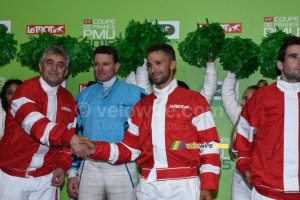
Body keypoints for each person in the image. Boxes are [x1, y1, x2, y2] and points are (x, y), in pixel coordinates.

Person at [81, 43, 221, 200]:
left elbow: (211, 146)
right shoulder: (142, 106)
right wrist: (97, 149)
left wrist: (208, 186)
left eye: (159, 63)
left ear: (172, 64)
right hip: (148, 187)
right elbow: (129, 148)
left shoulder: (194, 100)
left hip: (183, 186)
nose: (153, 69)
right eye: (150, 65)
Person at [0, 45, 91, 200]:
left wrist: (62, 167)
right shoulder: (24, 90)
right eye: (50, 62)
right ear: (41, 66)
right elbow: (36, 125)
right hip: (13, 175)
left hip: (46, 177)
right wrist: (71, 138)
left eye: (60, 65)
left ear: (66, 71)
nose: (55, 68)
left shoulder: (69, 100)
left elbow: (67, 144)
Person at [67, 45, 147, 200]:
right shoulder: (83, 96)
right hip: (90, 166)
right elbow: (74, 135)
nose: (100, 68)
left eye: (106, 64)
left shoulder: (136, 94)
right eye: (96, 64)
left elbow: (153, 128)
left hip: (121, 166)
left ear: (116, 66)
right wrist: (72, 172)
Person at [233, 35, 300, 200]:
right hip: (267, 192)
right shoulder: (260, 97)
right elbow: (243, 136)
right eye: (293, 56)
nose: (299, 61)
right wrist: (244, 165)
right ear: (280, 64)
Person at [221, 73, 267, 200]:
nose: (241, 103)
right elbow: (227, 94)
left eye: (246, 99)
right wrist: (233, 68)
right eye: (242, 98)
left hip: (264, 180)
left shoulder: (272, 122)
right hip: (240, 180)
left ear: (257, 100)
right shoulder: (239, 117)